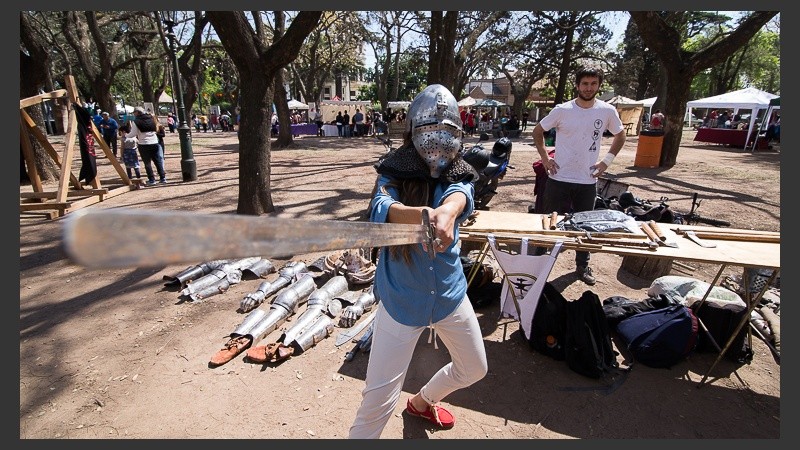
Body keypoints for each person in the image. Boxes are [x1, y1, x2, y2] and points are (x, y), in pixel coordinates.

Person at [348, 84, 488, 438]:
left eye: (448, 130)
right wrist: (422, 214)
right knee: (378, 401)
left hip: (448, 297)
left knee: (474, 368)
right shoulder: (394, 171)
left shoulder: (459, 172)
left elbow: (461, 195)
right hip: (402, 300)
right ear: (413, 131)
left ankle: (424, 401)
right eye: (430, 129)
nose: (438, 139)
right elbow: (381, 206)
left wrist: (447, 212)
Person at [531, 67, 626, 286]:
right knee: (547, 222)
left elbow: (620, 135)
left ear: (599, 86)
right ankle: (538, 264)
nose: (589, 87)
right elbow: (538, 131)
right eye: (585, 83)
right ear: (577, 85)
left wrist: (606, 162)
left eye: (593, 83)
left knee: (585, 227)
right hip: (559, 178)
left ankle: (582, 265)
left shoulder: (607, 111)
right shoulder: (562, 110)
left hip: (587, 180)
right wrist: (546, 159)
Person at [126, 106, 167, 186]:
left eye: (134, 112)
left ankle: (152, 179)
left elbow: (133, 133)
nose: (134, 114)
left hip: (144, 144)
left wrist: (126, 136)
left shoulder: (136, 121)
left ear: (137, 113)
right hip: (155, 142)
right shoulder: (152, 119)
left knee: (147, 163)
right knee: (157, 161)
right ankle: (163, 178)